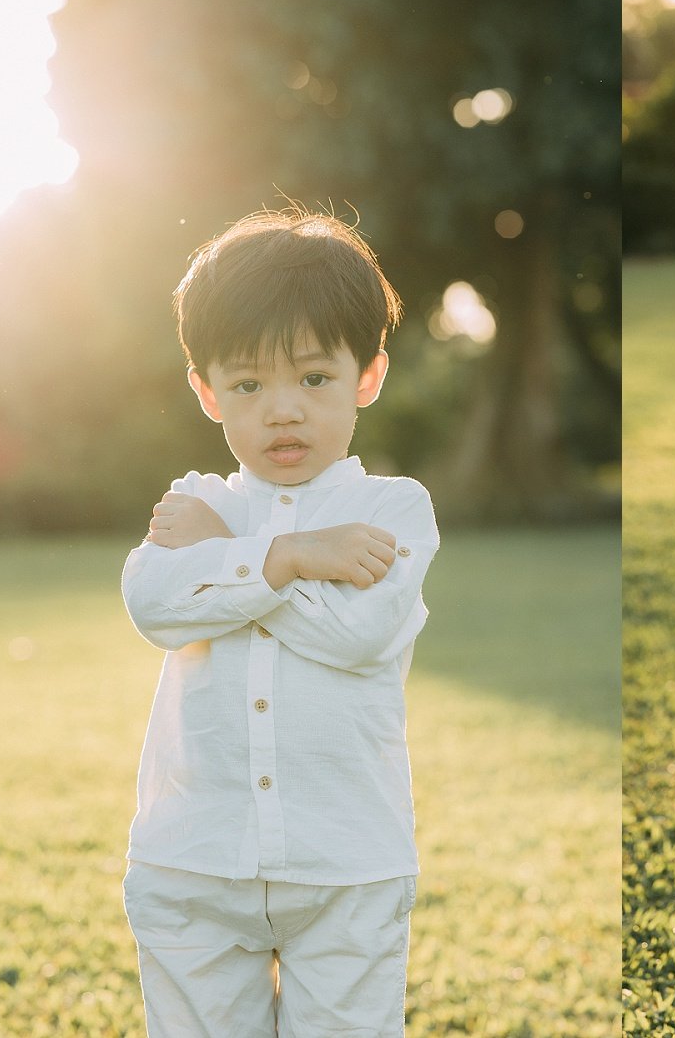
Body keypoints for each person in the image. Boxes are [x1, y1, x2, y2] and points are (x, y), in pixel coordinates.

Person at [119, 208, 439, 1037]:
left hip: (346, 862)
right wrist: (292, 554)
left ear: (367, 375)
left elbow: (355, 636)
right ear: (206, 391)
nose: (282, 410)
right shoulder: (197, 501)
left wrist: (233, 556)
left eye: (314, 378)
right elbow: (154, 604)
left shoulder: (392, 507)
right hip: (194, 856)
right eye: (249, 385)